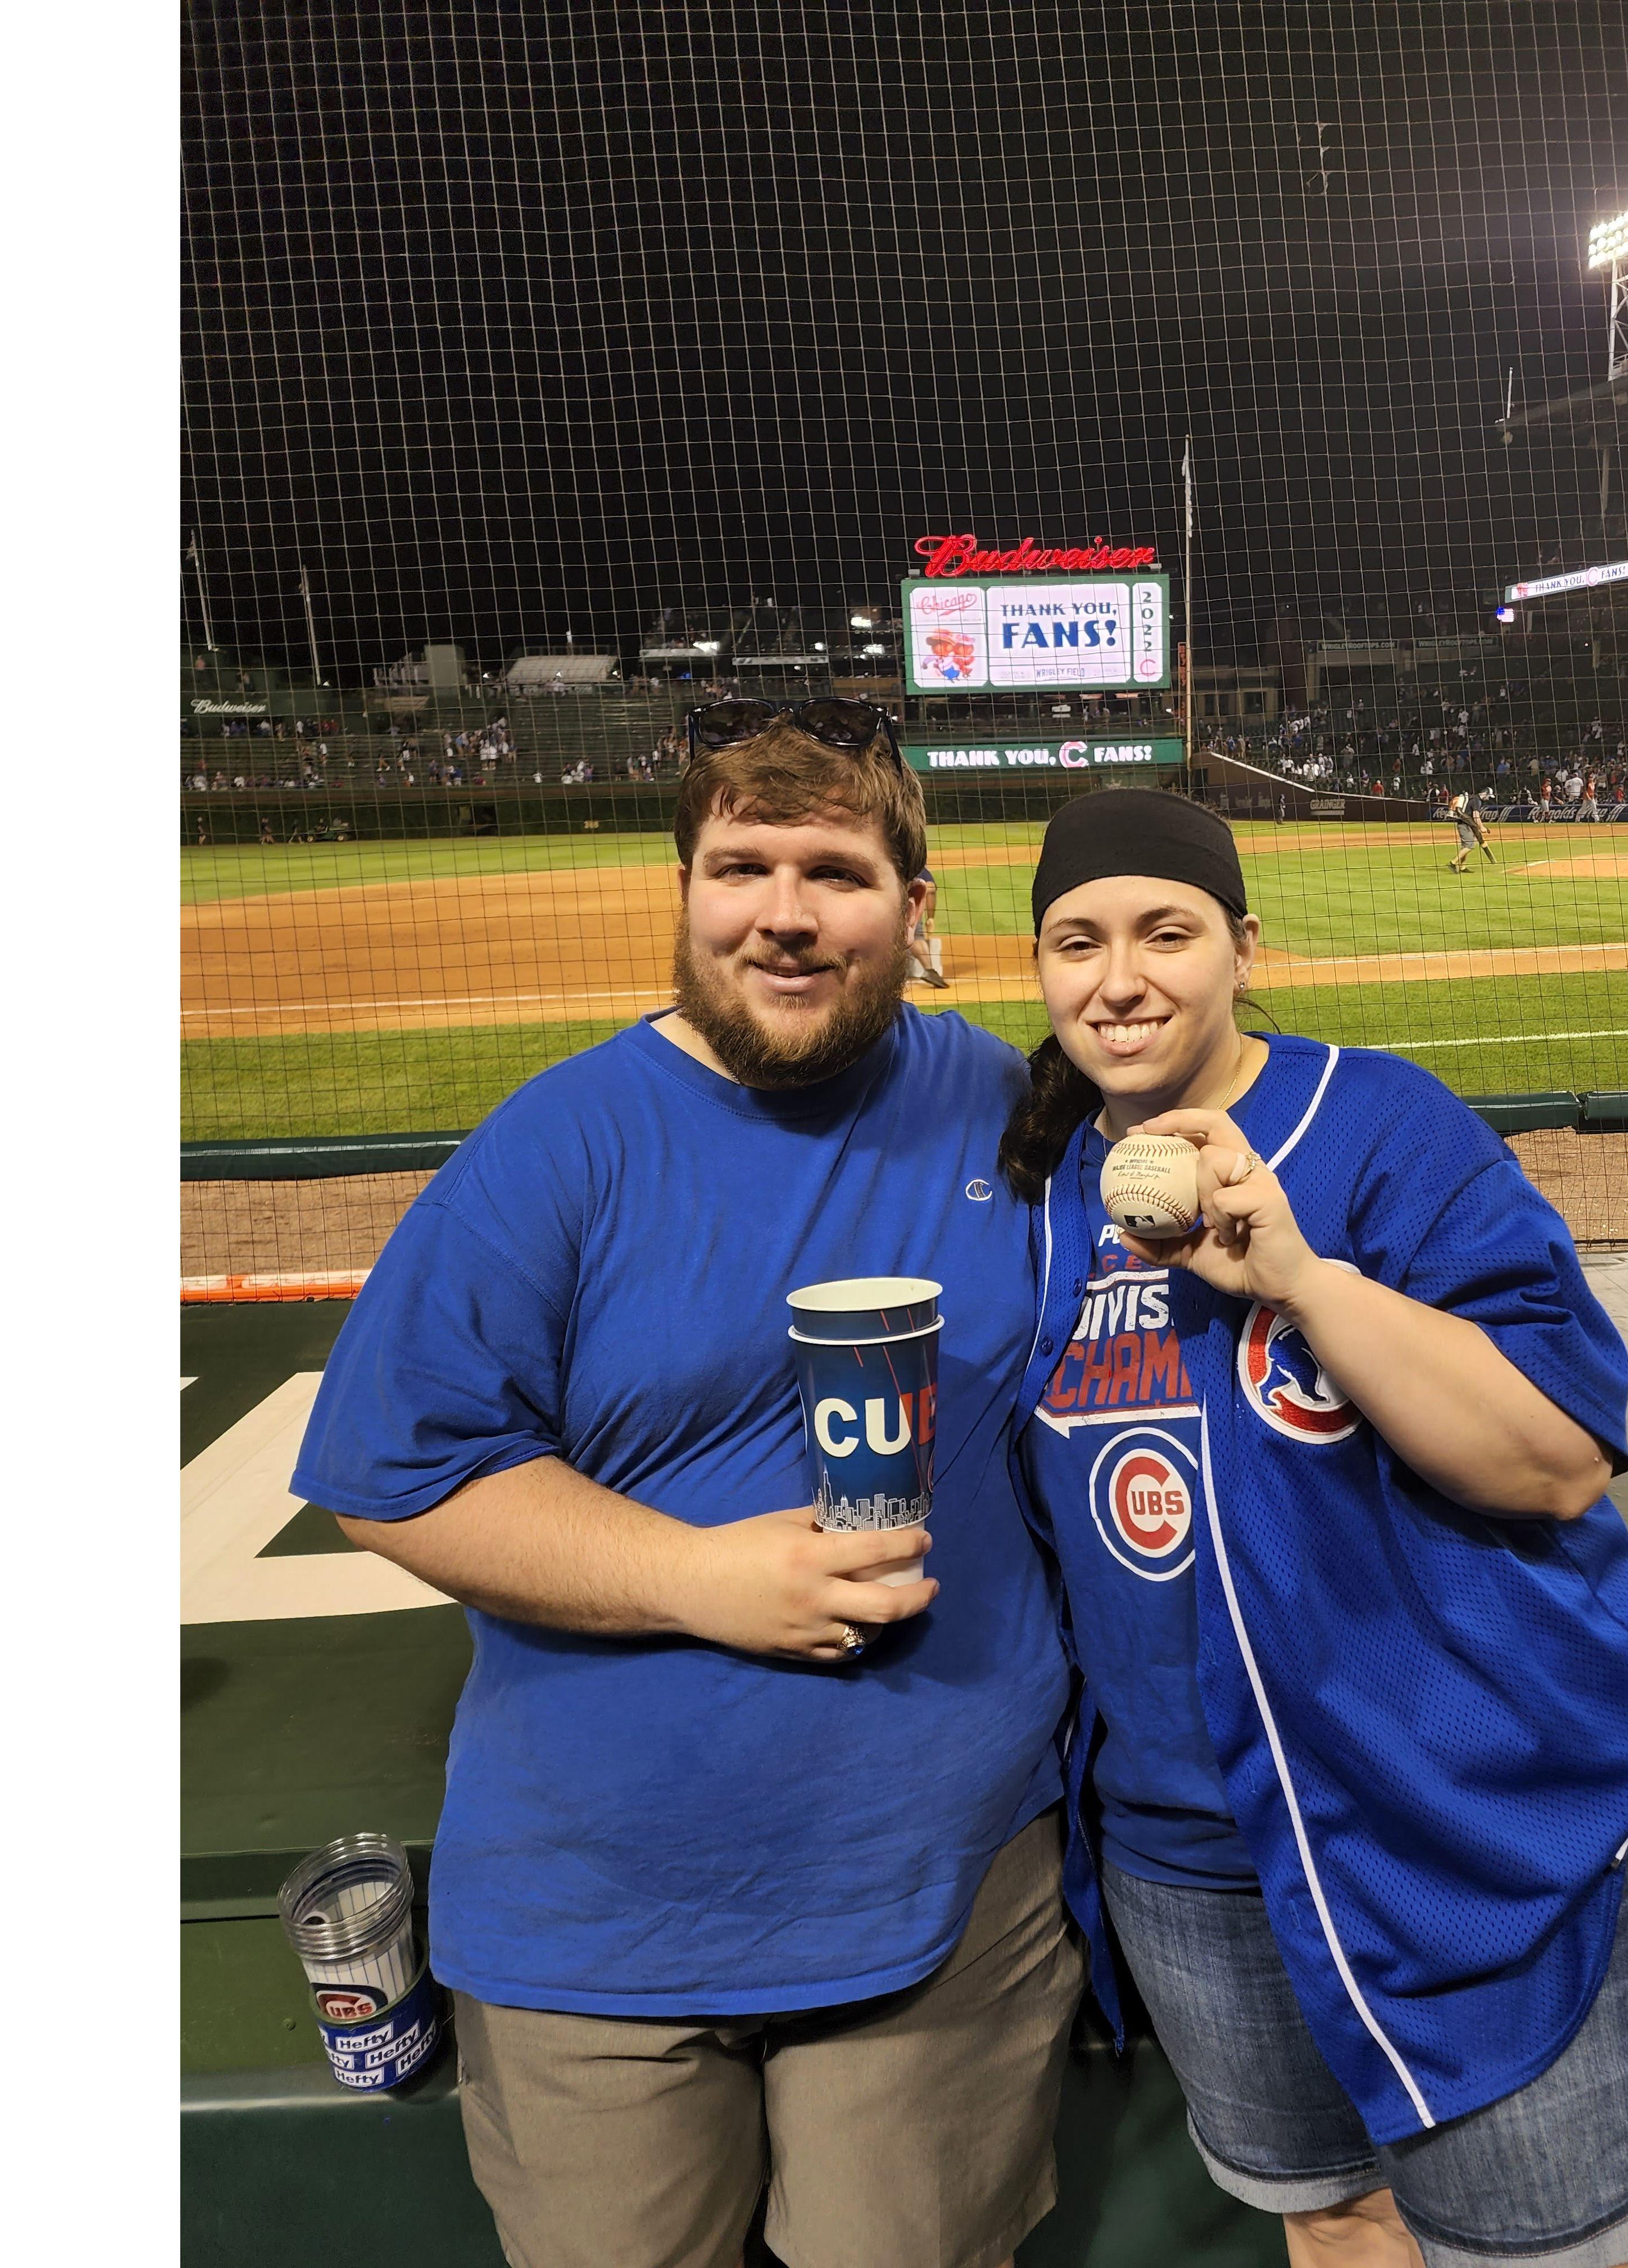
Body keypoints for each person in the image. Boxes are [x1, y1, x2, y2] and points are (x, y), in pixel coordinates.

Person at [292, 700, 1082, 2268]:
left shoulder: (1021, 1120)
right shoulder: (557, 1145)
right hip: (597, 1920)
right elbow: (390, 1473)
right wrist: (695, 1576)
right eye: (741, 867)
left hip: (940, 1894)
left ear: (916, 913)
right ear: (684, 894)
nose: (785, 914)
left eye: (836, 873)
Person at [994, 792, 1628, 2268]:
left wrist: (1306, 1283)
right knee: (1335, 2229)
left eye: (1166, 933)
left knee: (1566, 2251)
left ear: (1246, 948)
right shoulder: (1037, 1188)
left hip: (1463, 1824)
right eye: (1079, 942)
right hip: (1193, 1856)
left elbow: (1558, 1457)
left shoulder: (1381, 1128)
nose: (1120, 978)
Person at [905, 862, 951, 987]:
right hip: (907, 907)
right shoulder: (917, 867)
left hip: (881, 908)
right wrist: (930, 918)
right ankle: (929, 970)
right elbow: (930, 889)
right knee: (915, 936)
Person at [1444, 790, 1495, 874]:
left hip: (1466, 824)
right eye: (1489, 796)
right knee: (1469, 846)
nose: (1488, 799)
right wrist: (1482, 828)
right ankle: (1453, 863)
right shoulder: (1477, 801)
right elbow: (1476, 816)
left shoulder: (1474, 799)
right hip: (1465, 825)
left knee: (1466, 846)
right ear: (1485, 794)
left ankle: (1462, 867)